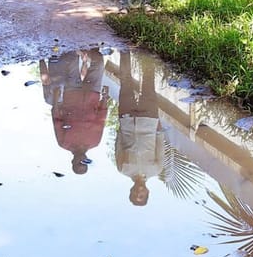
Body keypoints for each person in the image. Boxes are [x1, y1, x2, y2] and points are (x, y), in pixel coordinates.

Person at [41, 48, 110, 174]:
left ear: (73, 161)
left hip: (72, 95)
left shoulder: (64, 143)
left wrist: (56, 98)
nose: (82, 161)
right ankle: (89, 48)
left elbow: (57, 119)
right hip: (93, 94)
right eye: (84, 163)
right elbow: (101, 119)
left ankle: (76, 44)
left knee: (73, 60)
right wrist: (105, 98)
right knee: (99, 61)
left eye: (79, 163)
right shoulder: (95, 142)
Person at [114, 51, 164, 206]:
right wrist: (158, 127)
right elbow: (160, 146)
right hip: (149, 120)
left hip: (127, 120)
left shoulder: (123, 169)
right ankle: (146, 50)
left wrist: (122, 124)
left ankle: (124, 50)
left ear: (131, 191)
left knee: (125, 81)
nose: (138, 192)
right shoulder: (156, 170)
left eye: (135, 194)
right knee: (148, 82)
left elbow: (119, 145)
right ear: (147, 192)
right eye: (141, 195)